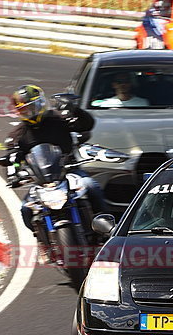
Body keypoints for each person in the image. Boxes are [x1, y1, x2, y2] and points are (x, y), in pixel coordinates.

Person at [6, 85, 109, 231]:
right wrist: (13, 174)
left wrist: (75, 109)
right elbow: (12, 158)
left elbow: (86, 125)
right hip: (40, 181)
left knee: (91, 187)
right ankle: (41, 240)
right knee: (25, 209)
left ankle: (106, 229)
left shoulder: (59, 118)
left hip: (69, 171)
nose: (29, 112)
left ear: (40, 103)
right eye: (24, 110)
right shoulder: (18, 135)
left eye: (32, 107)